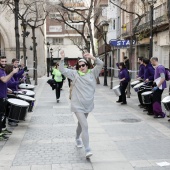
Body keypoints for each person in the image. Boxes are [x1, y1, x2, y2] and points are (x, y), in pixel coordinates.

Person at [59, 50, 103, 158]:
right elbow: (62, 70)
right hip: (77, 105)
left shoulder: (93, 73)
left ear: (87, 65)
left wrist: (91, 57)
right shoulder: (75, 74)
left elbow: (100, 64)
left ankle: (77, 137)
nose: (81, 67)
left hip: (88, 105)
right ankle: (87, 149)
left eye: (83, 65)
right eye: (79, 66)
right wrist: (62, 58)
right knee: (85, 126)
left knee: (80, 124)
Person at [0, 56, 19, 141]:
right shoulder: (0, 71)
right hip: (0, 97)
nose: (4, 63)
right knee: (0, 115)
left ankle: (2, 129)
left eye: (5, 61)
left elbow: (3, 83)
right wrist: (13, 72)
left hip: (3, 95)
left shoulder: (3, 71)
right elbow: (4, 80)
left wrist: (7, 89)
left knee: (3, 115)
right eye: (2, 61)